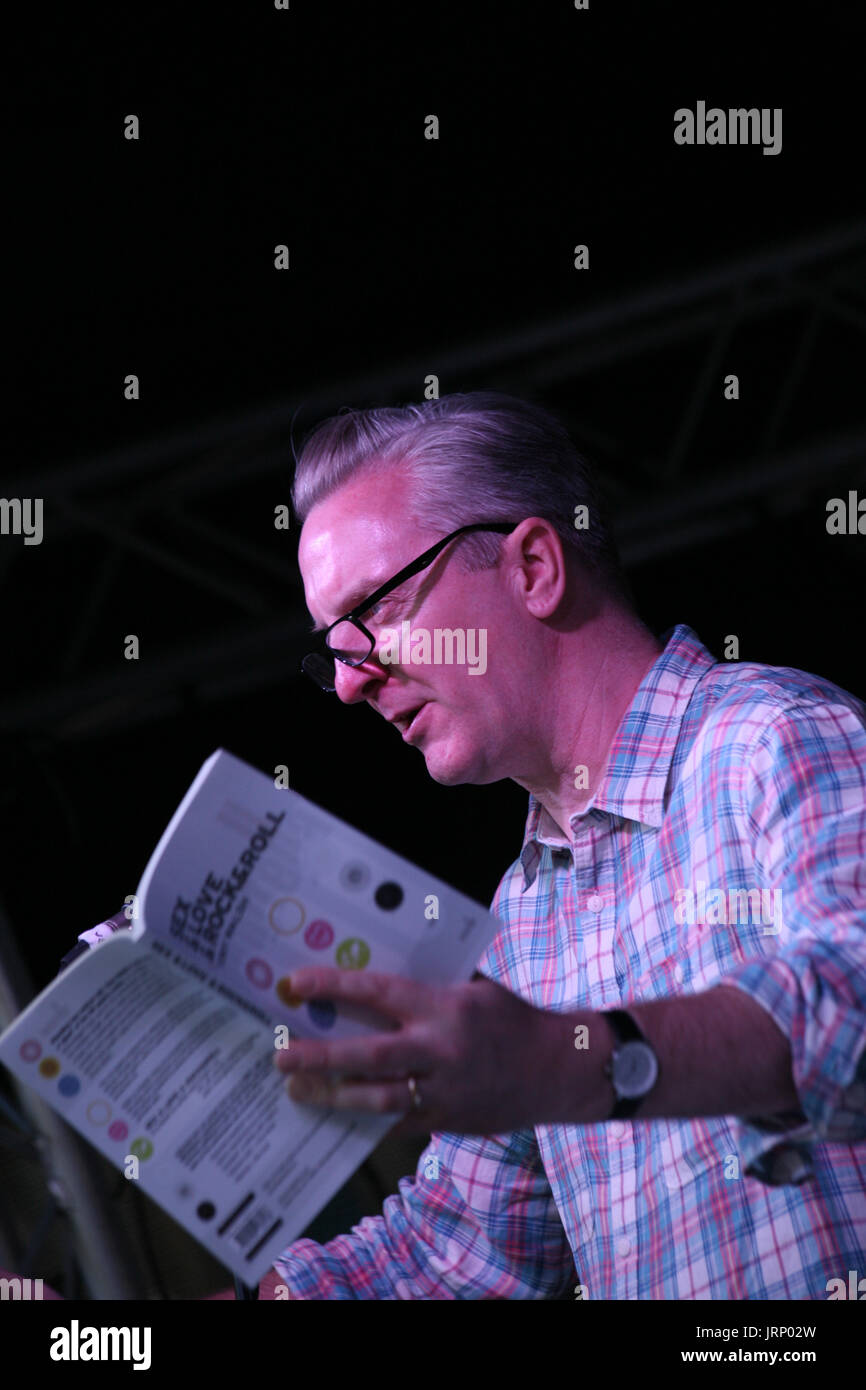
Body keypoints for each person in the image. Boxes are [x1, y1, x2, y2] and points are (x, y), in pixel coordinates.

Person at [276, 390, 866, 1298]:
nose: (352, 682)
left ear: (536, 568)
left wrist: (565, 1058)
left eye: (378, 610)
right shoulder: (523, 916)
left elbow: (853, 1004)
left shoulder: (772, 737)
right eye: (336, 646)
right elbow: (455, 1254)